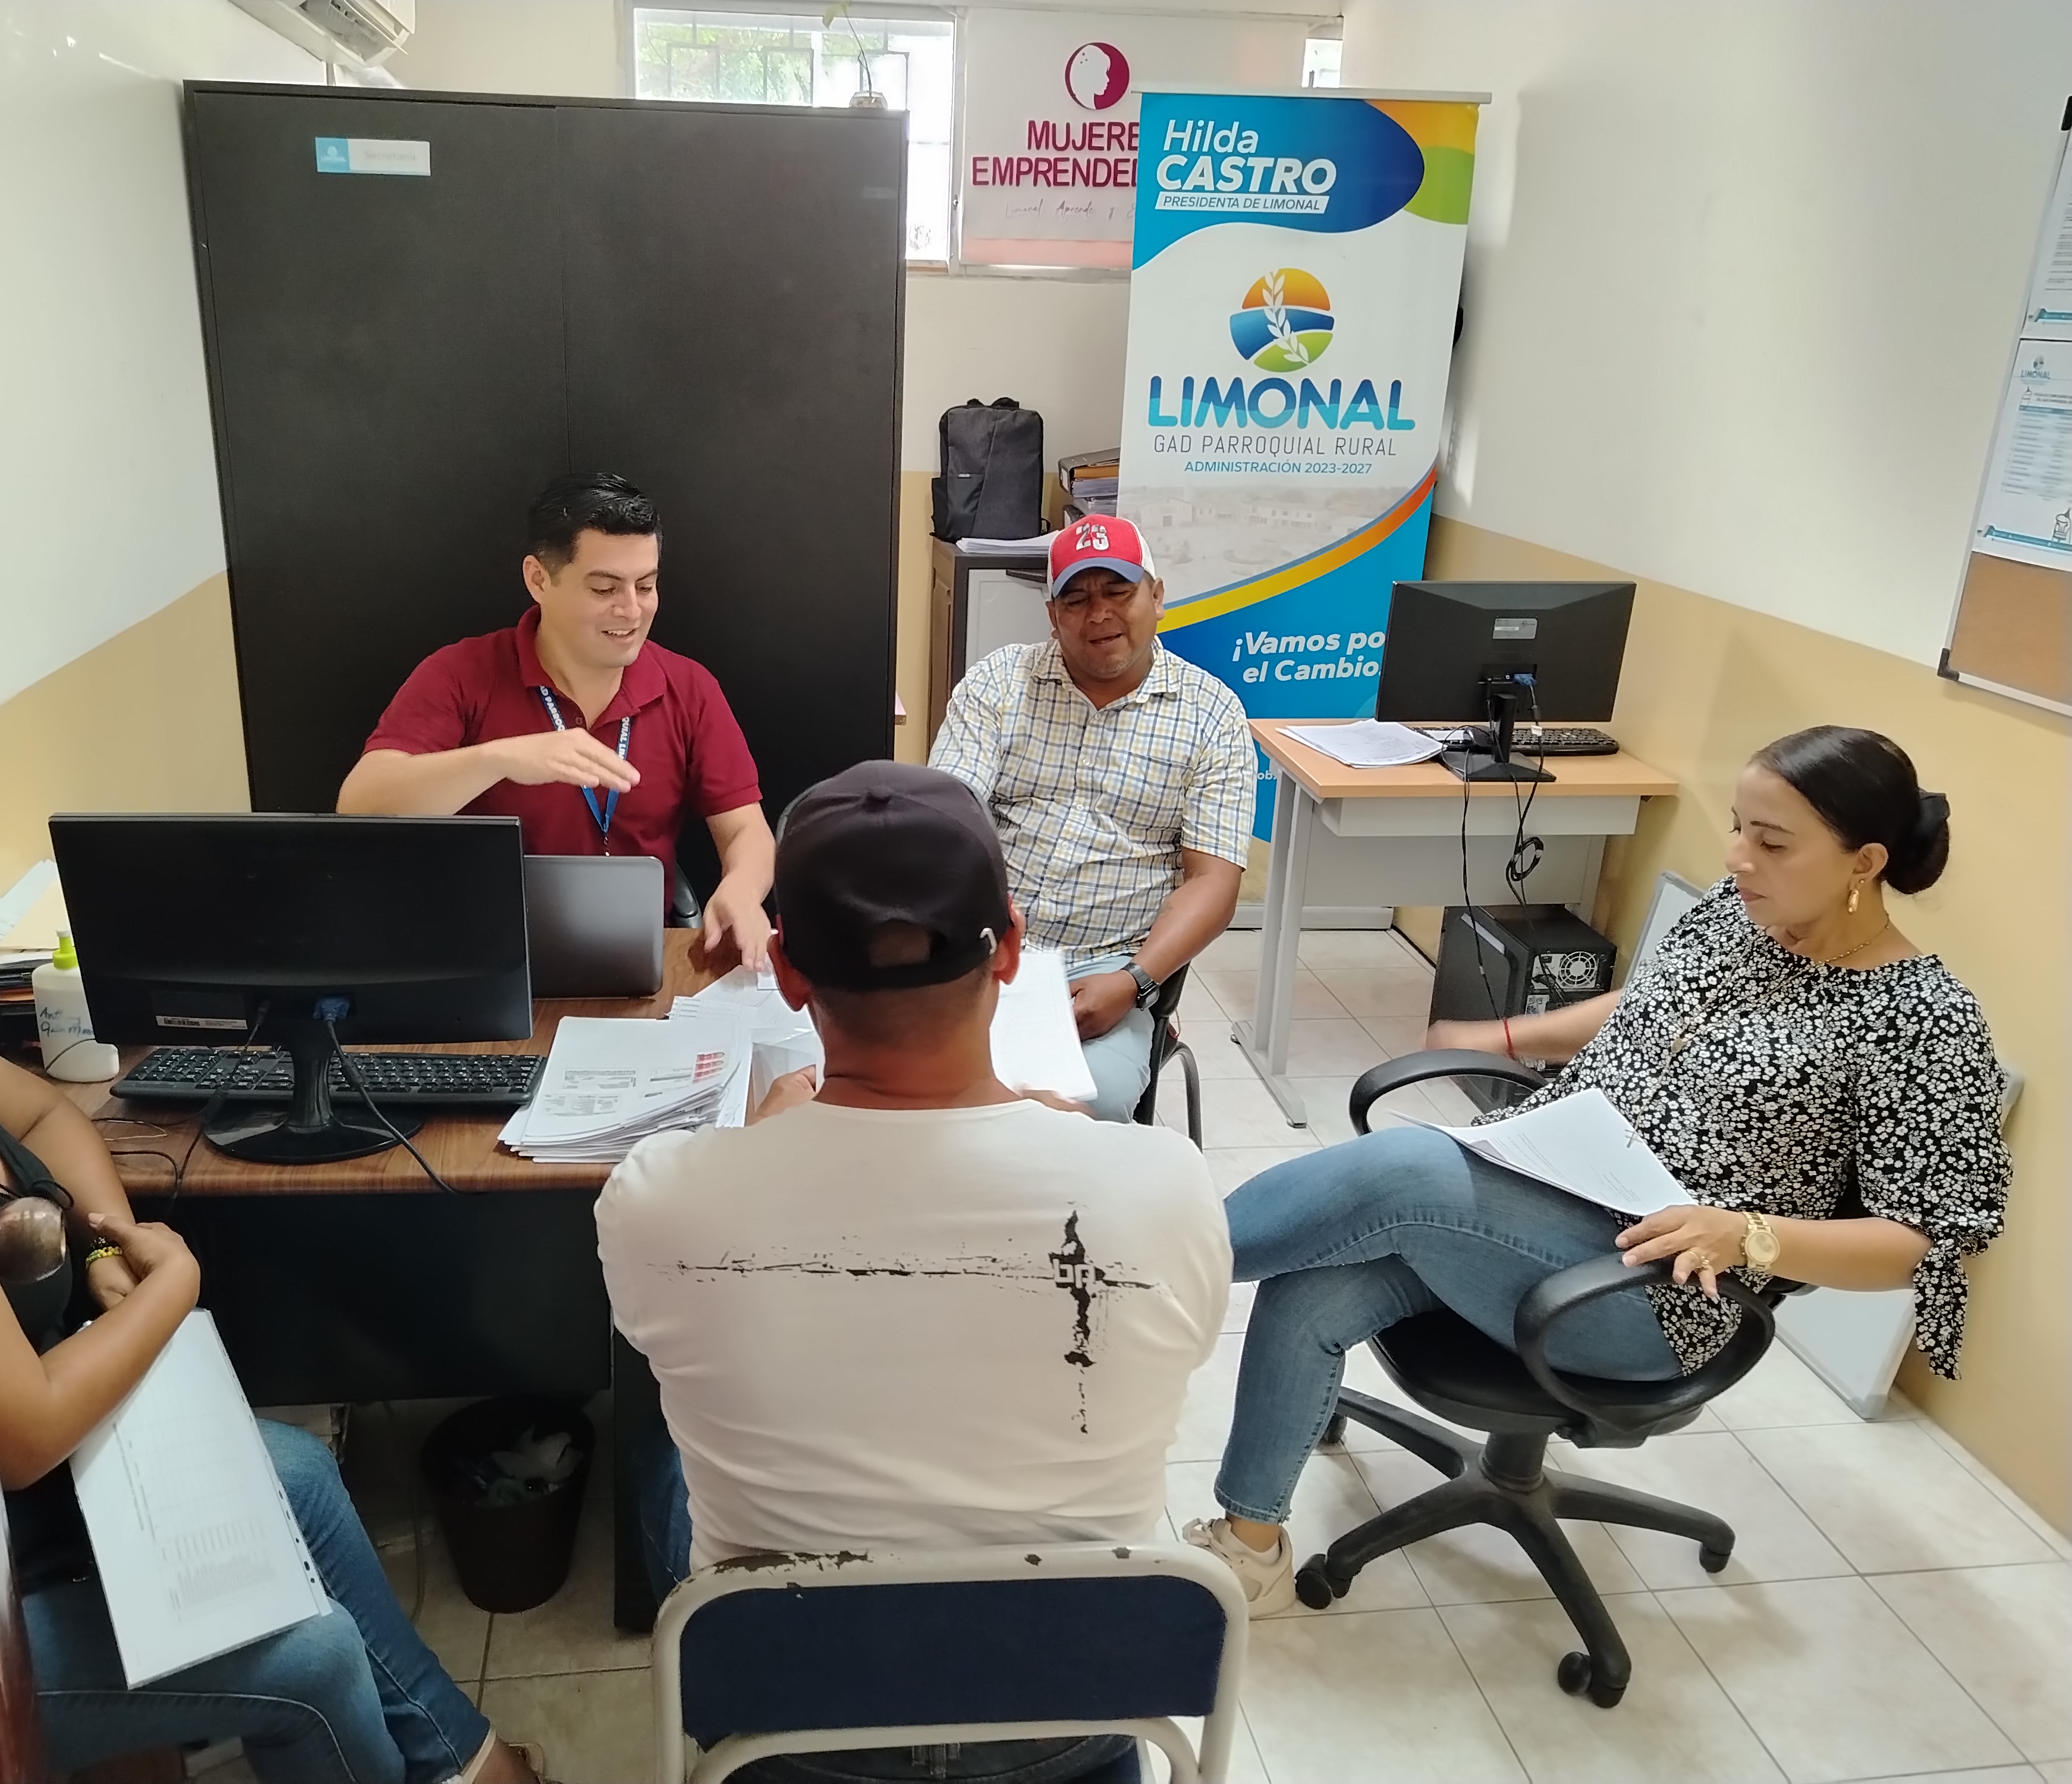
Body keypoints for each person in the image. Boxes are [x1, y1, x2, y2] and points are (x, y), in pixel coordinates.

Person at [1185, 726, 2014, 1612]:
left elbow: (1923, 1243)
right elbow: (1646, 1004)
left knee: (1405, 1170)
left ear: (1865, 862)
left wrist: (1747, 1236)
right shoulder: (1740, 915)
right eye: (1739, 828)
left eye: (1772, 843)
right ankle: (1251, 1549)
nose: (1738, 858)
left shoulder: (1925, 1019)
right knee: (1315, 1281)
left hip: (1655, 1289)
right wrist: (1507, 1035)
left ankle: (1146, 1262)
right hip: (1552, 1190)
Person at [598, 762, 1231, 1784]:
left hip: (790, 1725)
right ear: (1011, 947)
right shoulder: (1164, 1186)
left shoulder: (663, 1200)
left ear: (788, 971)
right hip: (1071, 1723)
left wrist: (760, 1144)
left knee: (672, 1446)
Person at [0, 848, 545, 1784]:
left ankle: (461, 1763)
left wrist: (105, 1247)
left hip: (46, 1490)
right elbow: (26, 1434)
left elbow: (45, 1119)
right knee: (317, 1659)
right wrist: (171, 1286)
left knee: (300, 1474)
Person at [339, 470, 775, 968]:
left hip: (636, 954)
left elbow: (746, 830)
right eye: (604, 589)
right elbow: (360, 805)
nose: (632, 611)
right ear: (539, 580)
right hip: (484, 955)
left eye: (646, 586)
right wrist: (498, 759)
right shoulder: (461, 673)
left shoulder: (689, 686)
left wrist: (742, 890)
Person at [929, 514, 1257, 1121]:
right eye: (1076, 599)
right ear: (1053, 615)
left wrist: (1135, 982)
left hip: (1111, 962)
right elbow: (948, 819)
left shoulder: (1213, 715)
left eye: (1118, 591)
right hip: (985, 944)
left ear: (1157, 597)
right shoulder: (1000, 682)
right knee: (909, 1081)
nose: (1099, 614)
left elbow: (1213, 882)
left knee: (1087, 1103)